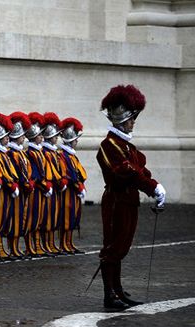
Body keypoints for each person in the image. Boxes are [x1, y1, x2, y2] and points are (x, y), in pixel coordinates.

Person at [97, 84, 165, 310]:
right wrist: (151, 186)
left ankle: (117, 289)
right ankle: (110, 294)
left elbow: (140, 169)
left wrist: (154, 187)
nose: (133, 122)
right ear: (121, 120)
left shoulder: (125, 145)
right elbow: (126, 171)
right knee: (114, 247)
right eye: (131, 119)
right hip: (117, 201)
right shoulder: (109, 145)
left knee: (122, 246)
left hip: (128, 200)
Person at [0, 114, 19, 259]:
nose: (8, 138)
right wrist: (8, 183)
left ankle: (0, 248)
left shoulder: (4, 153)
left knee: (4, 220)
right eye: (6, 136)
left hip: (6, 190)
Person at [23, 112, 53, 257]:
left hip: (41, 190)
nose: (42, 137)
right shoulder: (31, 152)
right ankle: (30, 246)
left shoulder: (39, 152)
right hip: (35, 190)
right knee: (32, 218)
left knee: (40, 218)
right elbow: (34, 174)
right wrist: (43, 184)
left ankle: (38, 245)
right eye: (40, 135)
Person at [6, 112, 33, 258]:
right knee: (14, 220)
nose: (24, 138)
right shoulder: (13, 153)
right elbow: (16, 171)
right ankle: (13, 247)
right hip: (17, 190)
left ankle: (16, 247)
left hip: (23, 189)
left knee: (21, 218)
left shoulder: (20, 152)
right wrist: (24, 183)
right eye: (22, 135)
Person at [58, 117, 87, 253]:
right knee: (66, 217)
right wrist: (77, 185)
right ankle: (64, 244)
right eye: (75, 139)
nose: (77, 142)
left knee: (73, 216)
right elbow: (67, 174)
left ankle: (69, 243)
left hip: (74, 191)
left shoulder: (72, 156)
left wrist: (80, 184)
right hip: (68, 191)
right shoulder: (63, 156)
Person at [40, 112, 67, 255]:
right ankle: (43, 245)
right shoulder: (45, 152)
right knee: (44, 218)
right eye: (55, 135)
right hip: (46, 188)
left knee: (53, 217)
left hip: (54, 188)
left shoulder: (54, 152)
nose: (57, 138)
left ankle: (50, 244)